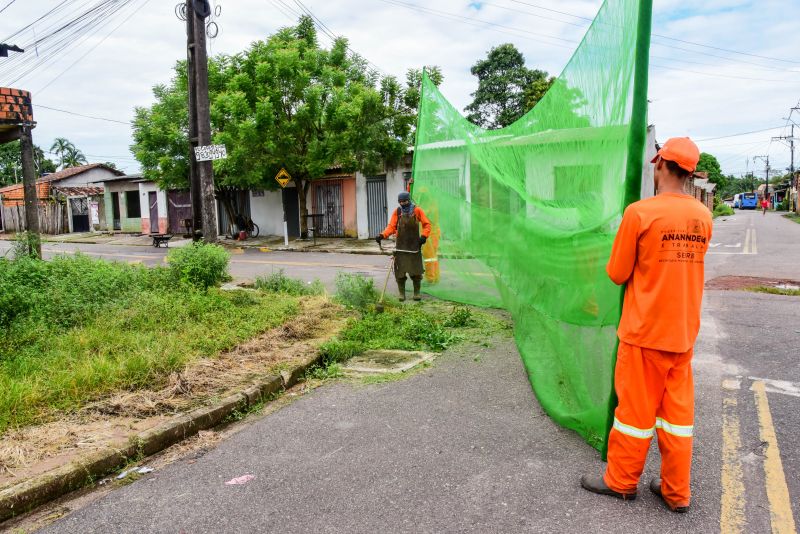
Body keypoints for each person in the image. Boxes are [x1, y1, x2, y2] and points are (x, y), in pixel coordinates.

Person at [581, 137, 713, 513]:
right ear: (690, 173)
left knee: (634, 415)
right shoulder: (703, 216)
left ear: (660, 166)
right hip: (683, 333)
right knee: (677, 419)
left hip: (643, 333)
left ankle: (621, 482)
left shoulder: (640, 213)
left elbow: (617, 272)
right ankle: (676, 492)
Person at [375, 191, 432, 301]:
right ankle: (402, 294)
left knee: (416, 271)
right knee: (400, 272)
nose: (403, 203)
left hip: (414, 246)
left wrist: (424, 236)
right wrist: (382, 235)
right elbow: (391, 227)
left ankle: (416, 293)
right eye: (400, 202)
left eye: (404, 201)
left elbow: (427, 224)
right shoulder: (398, 211)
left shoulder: (417, 210)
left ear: (408, 200)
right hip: (400, 246)